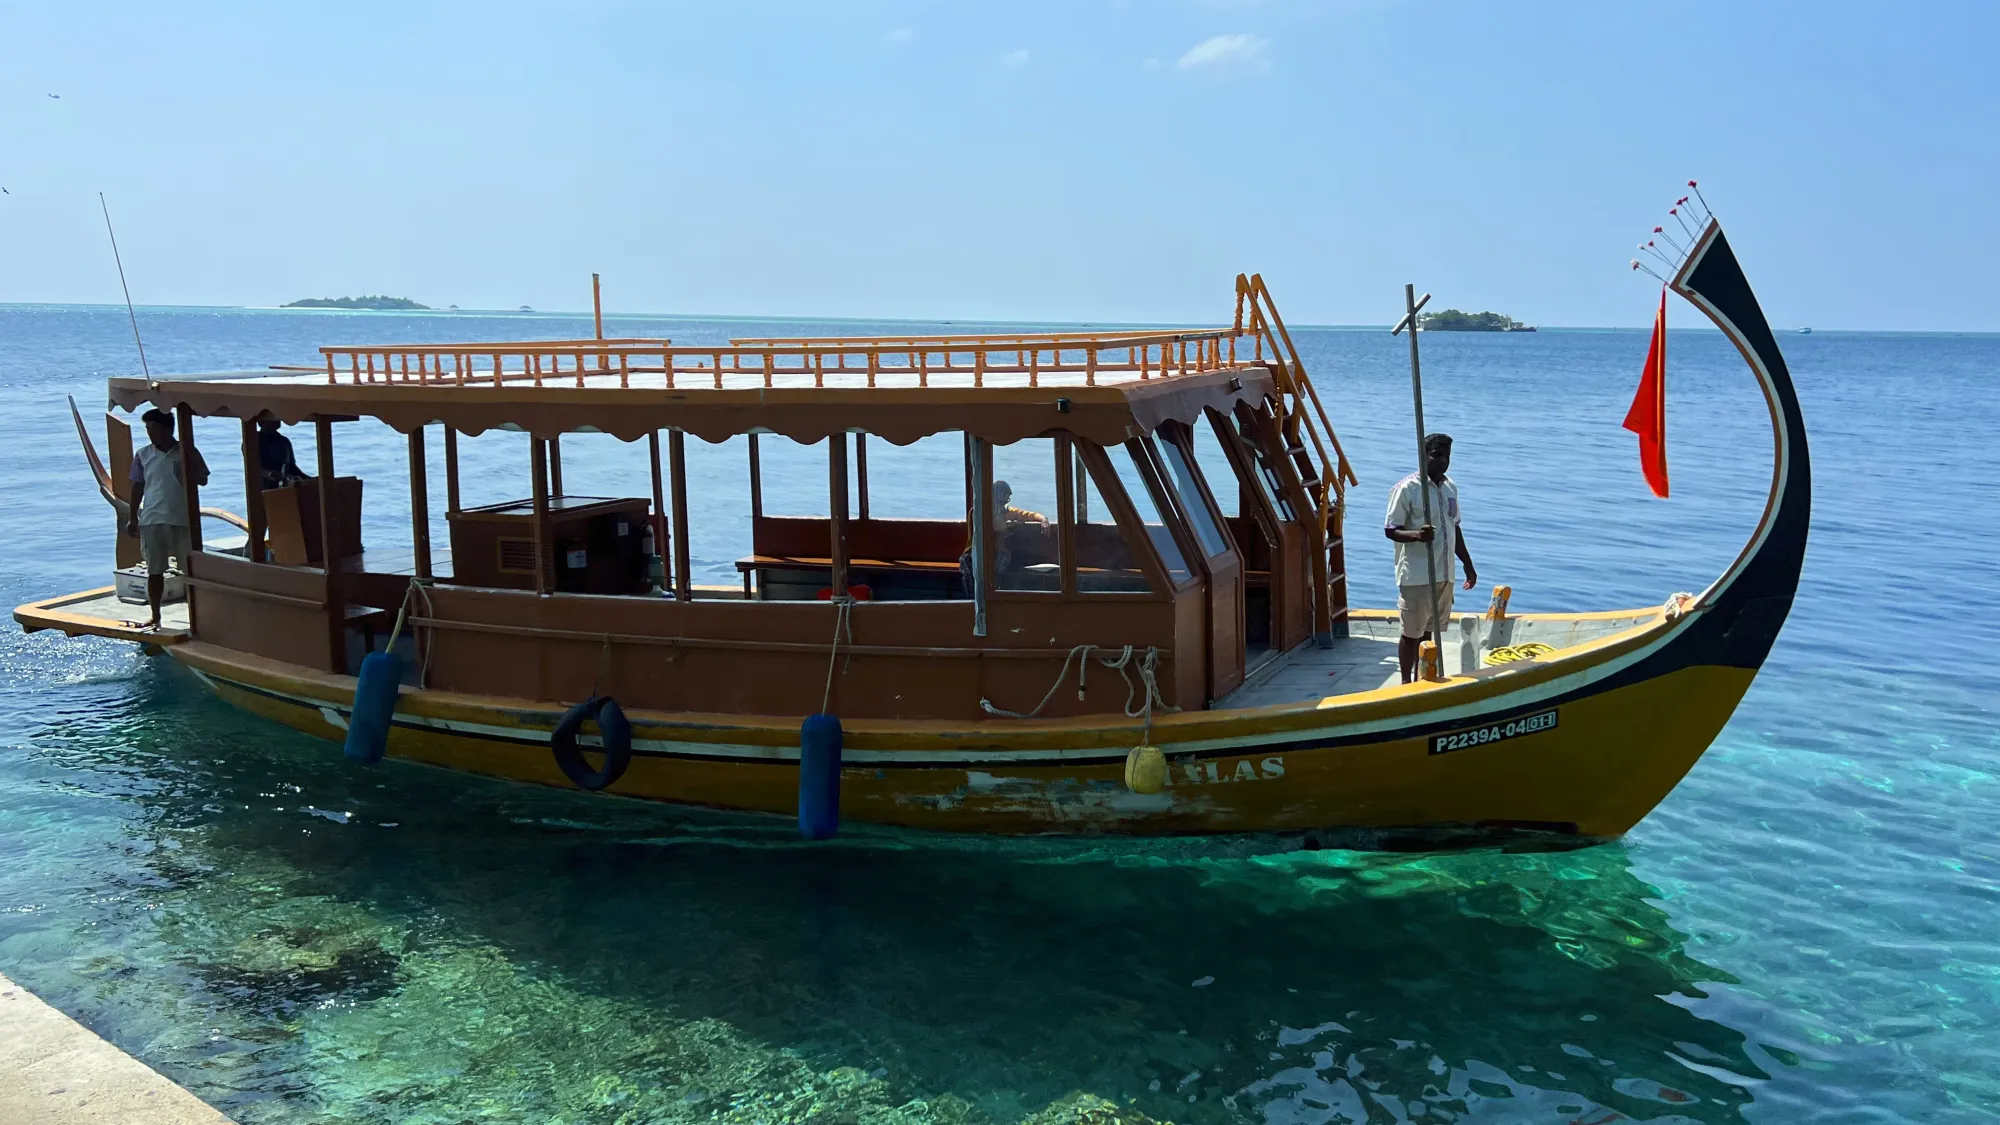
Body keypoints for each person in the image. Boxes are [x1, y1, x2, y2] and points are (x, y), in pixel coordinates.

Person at [1384, 432, 1477, 683]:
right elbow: (1391, 529)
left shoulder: (1450, 488)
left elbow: (1454, 527)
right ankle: (1405, 682)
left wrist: (1467, 563)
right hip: (1417, 574)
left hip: (1444, 572)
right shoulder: (1407, 489)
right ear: (1424, 456)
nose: (1443, 461)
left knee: (1428, 631)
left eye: (1447, 456)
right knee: (1411, 632)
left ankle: (1422, 676)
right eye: (1437, 455)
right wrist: (1416, 535)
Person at [125, 408, 210, 630]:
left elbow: (203, 479)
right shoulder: (143, 454)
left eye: (152, 428)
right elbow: (137, 487)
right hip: (152, 518)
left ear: (167, 428)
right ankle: (155, 616)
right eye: (147, 429)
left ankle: (198, 617)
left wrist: (189, 472)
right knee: (155, 570)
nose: (149, 433)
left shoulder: (187, 451)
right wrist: (132, 517)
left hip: (182, 518)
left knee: (191, 572)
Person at [958, 479, 1050, 595]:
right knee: (973, 573)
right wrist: (1011, 524)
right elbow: (991, 526)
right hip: (976, 555)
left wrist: (1043, 519)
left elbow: (1028, 515)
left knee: (1007, 564)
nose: (1007, 500)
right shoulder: (977, 511)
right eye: (1005, 497)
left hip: (998, 554)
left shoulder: (1007, 512)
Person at [254, 417, 308, 490]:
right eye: (271, 418)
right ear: (261, 422)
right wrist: (268, 474)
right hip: (263, 489)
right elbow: (251, 467)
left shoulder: (284, 441)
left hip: (285, 487)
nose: (276, 419)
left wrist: (308, 479)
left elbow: (292, 467)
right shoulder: (253, 441)